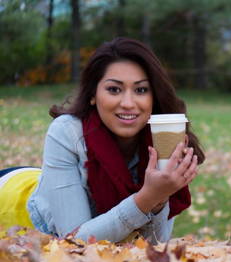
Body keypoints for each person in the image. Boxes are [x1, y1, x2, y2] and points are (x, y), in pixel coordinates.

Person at [0, 37, 205, 244]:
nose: (127, 103)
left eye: (141, 90)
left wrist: (160, 199)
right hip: (10, 204)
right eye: (114, 89)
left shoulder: (161, 139)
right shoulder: (66, 132)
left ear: (154, 97)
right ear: (92, 94)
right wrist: (146, 199)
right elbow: (74, 243)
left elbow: (151, 246)